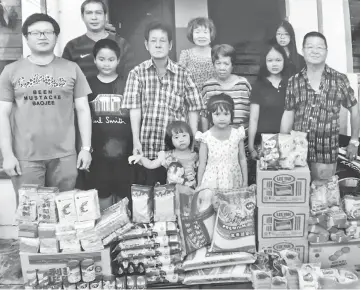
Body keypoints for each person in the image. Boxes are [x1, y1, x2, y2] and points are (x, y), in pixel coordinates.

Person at [0, 13, 92, 203]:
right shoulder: (11, 71)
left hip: (65, 157)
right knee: (31, 218)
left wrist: (86, 148)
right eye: (36, 33)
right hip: (25, 158)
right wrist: (7, 155)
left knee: (64, 215)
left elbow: (83, 110)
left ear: (56, 36)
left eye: (48, 32)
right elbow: (2, 114)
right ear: (26, 37)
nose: (42, 36)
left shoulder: (71, 68)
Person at [122, 21, 203, 186]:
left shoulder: (184, 74)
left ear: (170, 44)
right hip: (148, 149)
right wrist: (136, 141)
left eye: (162, 40)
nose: (158, 45)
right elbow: (134, 110)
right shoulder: (137, 74)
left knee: (179, 198)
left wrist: (193, 139)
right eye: (153, 40)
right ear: (146, 44)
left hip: (178, 153)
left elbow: (194, 109)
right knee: (151, 197)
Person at [280, 31, 360, 181]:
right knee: (298, 195)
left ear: (326, 52)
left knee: (322, 199)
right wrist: (282, 143)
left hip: (326, 152)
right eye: (309, 47)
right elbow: (288, 113)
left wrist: (354, 141)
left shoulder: (339, 79)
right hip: (298, 151)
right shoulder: (294, 81)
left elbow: (354, 109)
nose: (314, 51)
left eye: (319, 47)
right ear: (303, 51)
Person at [86, 39, 132, 211]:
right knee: (102, 192)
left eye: (111, 59)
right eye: (102, 59)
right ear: (94, 60)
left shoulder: (127, 83)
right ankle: (106, 229)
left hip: (125, 150)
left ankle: (122, 230)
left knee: (123, 191)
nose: (106, 63)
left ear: (118, 60)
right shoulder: (87, 84)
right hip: (97, 151)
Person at [62, 0, 134, 79]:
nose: (94, 18)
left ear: (105, 16)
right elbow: (65, 79)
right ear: (82, 17)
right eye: (89, 13)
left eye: (98, 13)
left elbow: (131, 77)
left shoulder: (121, 44)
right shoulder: (72, 46)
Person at [196, 94, 248, 189]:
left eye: (226, 114)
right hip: (212, 181)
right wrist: (199, 185)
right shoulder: (206, 137)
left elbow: (242, 159)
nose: (222, 118)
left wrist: (245, 182)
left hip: (233, 179)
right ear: (210, 115)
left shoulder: (237, 135)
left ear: (231, 114)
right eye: (217, 114)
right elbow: (202, 163)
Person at [248, 42, 288, 160]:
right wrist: (251, 147)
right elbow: (253, 119)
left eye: (278, 60)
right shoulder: (259, 86)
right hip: (263, 143)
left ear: (284, 61)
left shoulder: (291, 84)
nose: (274, 64)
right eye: (270, 60)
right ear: (264, 62)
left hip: (286, 142)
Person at [128, 121, 198, 188]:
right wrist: (140, 158)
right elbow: (151, 164)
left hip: (190, 194)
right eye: (176, 137)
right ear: (170, 140)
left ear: (190, 136)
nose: (181, 139)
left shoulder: (196, 156)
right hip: (172, 194)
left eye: (184, 135)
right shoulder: (168, 155)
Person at [200, 44, 251, 135]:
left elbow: (253, 114)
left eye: (226, 64)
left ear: (232, 65)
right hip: (216, 141)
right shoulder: (208, 86)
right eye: (218, 63)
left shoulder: (243, 84)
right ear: (213, 64)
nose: (222, 68)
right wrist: (206, 138)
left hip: (242, 141)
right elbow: (204, 115)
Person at [179, 17, 216, 92]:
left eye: (205, 32)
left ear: (210, 34)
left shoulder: (217, 53)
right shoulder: (185, 55)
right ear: (191, 34)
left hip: (214, 97)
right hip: (192, 99)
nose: (201, 36)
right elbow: (180, 79)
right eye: (197, 32)